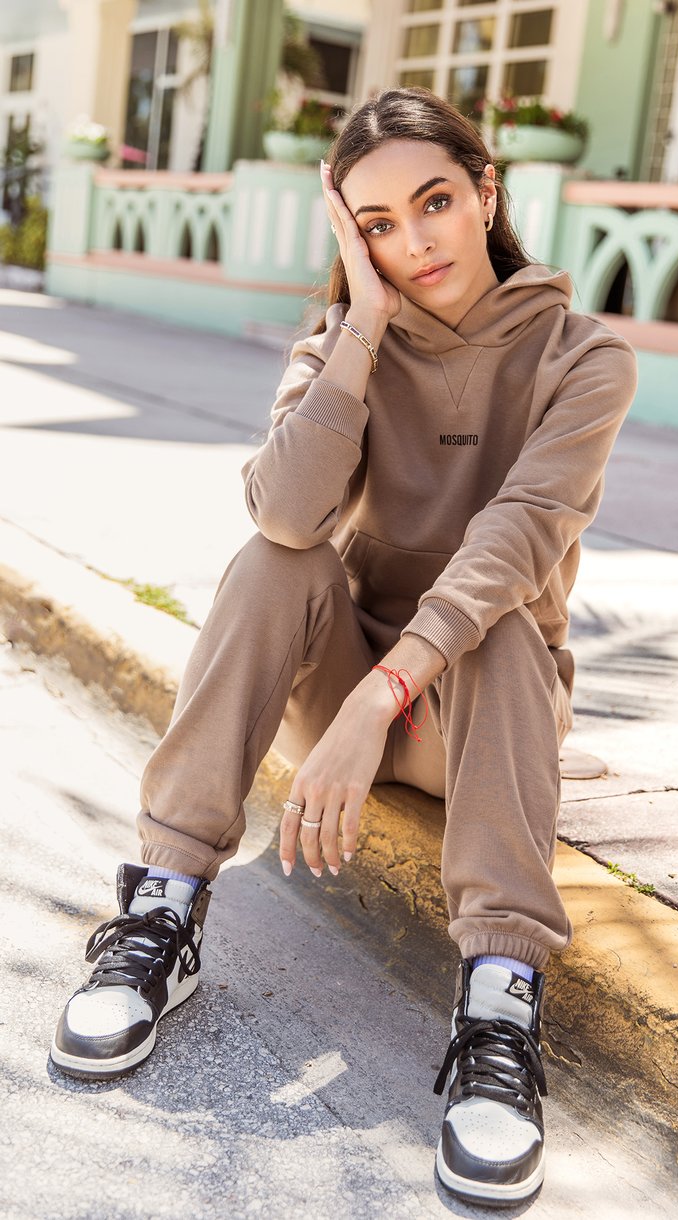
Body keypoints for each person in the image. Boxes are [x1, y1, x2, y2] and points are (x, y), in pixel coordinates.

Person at [49, 87, 637, 1205]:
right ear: (352, 239)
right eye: (377, 224)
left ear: (486, 193)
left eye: (434, 202)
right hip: (340, 694)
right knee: (277, 561)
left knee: (501, 619)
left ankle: (500, 1005)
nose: (415, 242)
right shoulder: (338, 343)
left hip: (471, 716)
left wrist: (382, 699)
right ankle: (162, 905)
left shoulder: (582, 357)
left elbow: (517, 537)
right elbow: (285, 514)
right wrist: (360, 328)